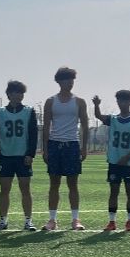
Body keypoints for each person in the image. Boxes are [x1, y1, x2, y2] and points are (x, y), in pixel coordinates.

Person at [41, 66, 90, 231]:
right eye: (66, 79)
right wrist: (45, 149)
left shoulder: (79, 102)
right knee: (54, 184)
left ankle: (75, 219)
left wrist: (84, 147)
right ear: (59, 81)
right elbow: (46, 126)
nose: (70, 82)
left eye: (72, 79)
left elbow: (85, 125)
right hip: (55, 144)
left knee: (73, 184)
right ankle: (52, 220)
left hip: (72, 145)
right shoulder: (50, 101)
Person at [0, 80, 38, 232]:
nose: (18, 95)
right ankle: (3, 220)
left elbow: (33, 134)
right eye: (15, 92)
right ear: (8, 94)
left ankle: (28, 221)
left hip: (23, 156)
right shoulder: (0, 112)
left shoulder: (29, 111)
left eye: (21, 92)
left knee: (25, 189)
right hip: (6, 156)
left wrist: (31, 154)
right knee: (4, 189)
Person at [92, 90, 130, 232]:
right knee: (114, 191)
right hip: (114, 161)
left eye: (124, 101)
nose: (122, 103)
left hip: (129, 162)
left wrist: (128, 156)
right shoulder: (113, 119)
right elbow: (98, 116)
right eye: (119, 101)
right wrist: (97, 105)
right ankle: (112, 221)